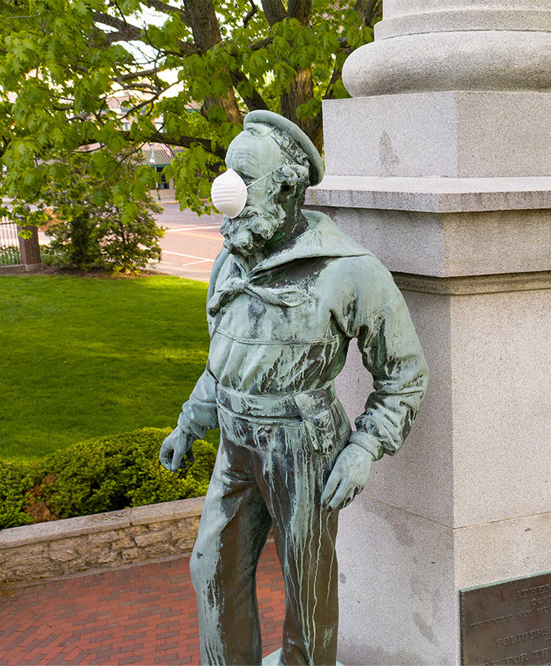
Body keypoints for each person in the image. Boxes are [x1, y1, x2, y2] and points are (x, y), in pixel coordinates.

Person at [159, 110, 428, 665]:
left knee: (307, 590)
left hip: (302, 445)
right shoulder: (230, 262)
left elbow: (404, 375)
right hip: (236, 438)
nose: (224, 191)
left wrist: (363, 448)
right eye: (225, 172)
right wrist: (189, 421)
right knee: (211, 567)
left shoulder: (349, 271)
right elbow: (225, 360)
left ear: (286, 186)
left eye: (243, 177)